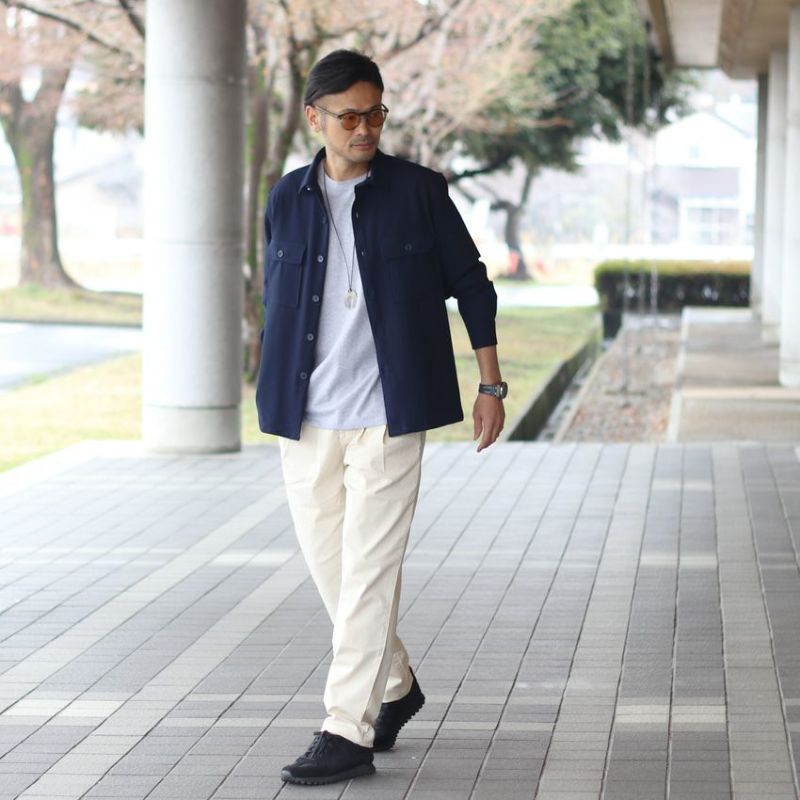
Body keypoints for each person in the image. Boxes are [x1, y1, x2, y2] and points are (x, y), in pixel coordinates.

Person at [255, 48, 507, 786]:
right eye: (349, 117)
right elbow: (278, 302)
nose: (364, 129)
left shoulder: (418, 192)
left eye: (375, 114)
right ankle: (394, 686)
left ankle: (347, 728)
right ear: (315, 118)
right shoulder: (286, 197)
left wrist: (490, 384)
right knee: (332, 570)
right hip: (305, 417)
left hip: (389, 414)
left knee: (369, 570)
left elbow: (472, 284)